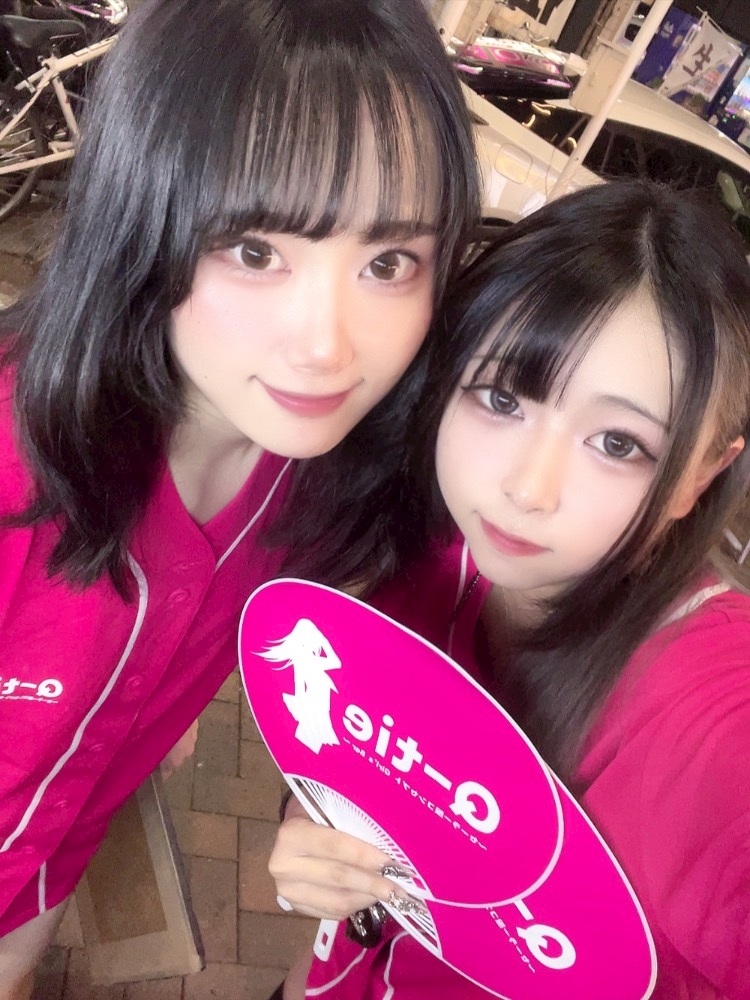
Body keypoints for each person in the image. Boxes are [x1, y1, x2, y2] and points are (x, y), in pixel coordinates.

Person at [0, 0, 481, 994]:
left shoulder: (321, 481)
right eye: (257, 251)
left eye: (389, 263)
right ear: (143, 217)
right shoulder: (18, 461)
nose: (327, 346)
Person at [268, 180, 750, 999]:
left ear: (700, 476)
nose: (527, 487)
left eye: (618, 443)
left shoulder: (709, 725)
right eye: (501, 398)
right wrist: (312, 831)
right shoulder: (436, 559)